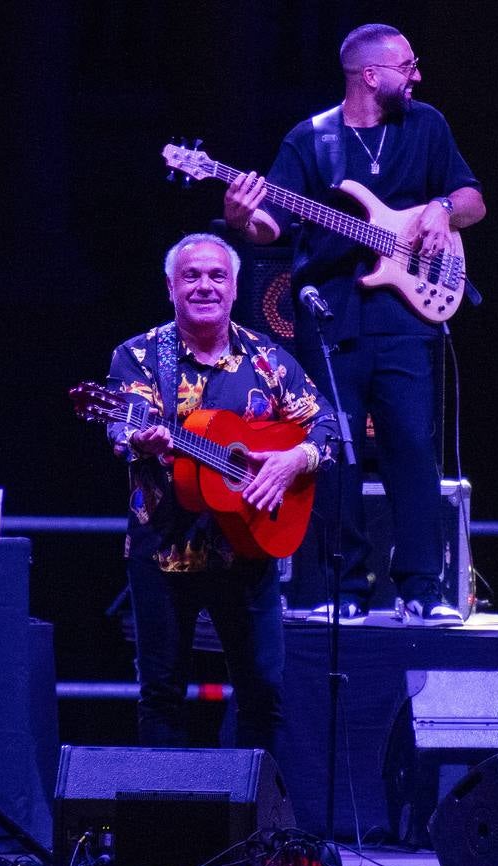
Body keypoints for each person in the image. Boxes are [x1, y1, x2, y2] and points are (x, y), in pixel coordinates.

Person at [223, 23, 486, 623]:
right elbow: (271, 226)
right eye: (407, 66)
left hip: (406, 315)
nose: (416, 75)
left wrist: (441, 211)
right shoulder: (311, 140)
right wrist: (242, 218)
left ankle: (421, 586)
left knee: (413, 448)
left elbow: (473, 198)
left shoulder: (427, 126)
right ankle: (344, 587)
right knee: (332, 451)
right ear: (371, 76)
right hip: (330, 317)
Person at [105, 232, 336, 753]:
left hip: (248, 550)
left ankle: (263, 830)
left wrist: (292, 460)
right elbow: (121, 429)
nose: (204, 286)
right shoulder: (139, 356)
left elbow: (327, 426)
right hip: (163, 550)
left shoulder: (267, 358)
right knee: (162, 695)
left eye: (217, 276)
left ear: (234, 289)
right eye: (191, 276)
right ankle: (165, 827)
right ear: (170, 288)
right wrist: (141, 438)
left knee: (264, 692)